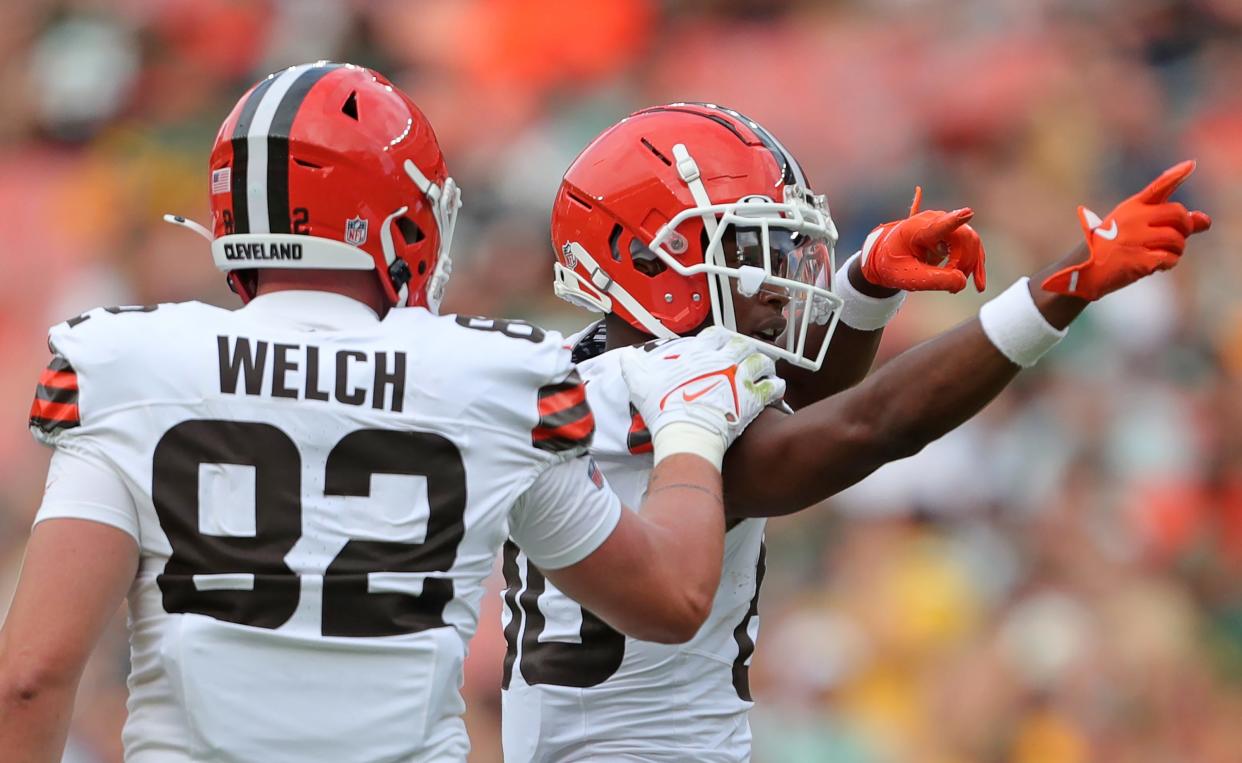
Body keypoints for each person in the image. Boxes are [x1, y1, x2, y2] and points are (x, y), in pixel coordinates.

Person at [0, 68, 785, 763]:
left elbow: (30, 679)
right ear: (402, 223)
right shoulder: (490, 378)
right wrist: (691, 427)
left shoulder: (130, 363)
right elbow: (673, 600)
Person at [500, 102, 1212, 761]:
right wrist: (1060, 287)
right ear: (647, 259)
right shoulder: (668, 386)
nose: (777, 278)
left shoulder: (584, 371)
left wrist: (866, 285)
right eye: (746, 247)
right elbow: (869, 426)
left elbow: (796, 405)